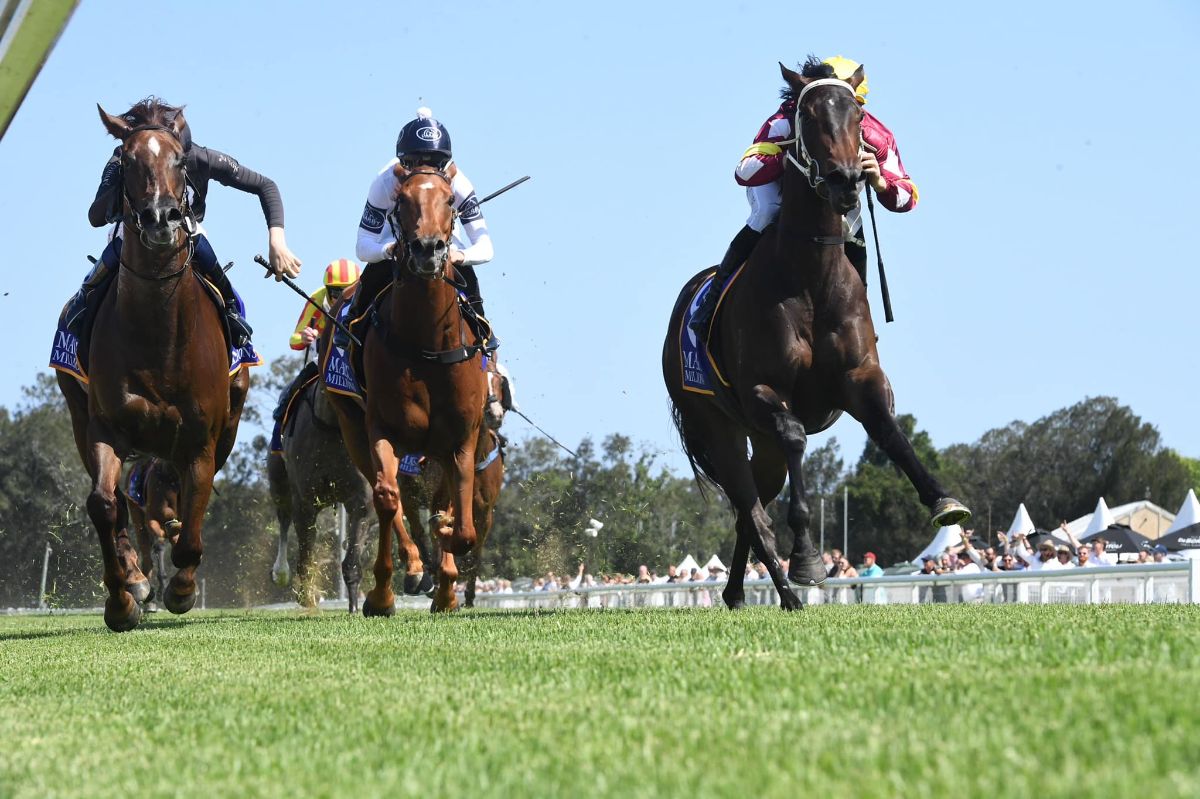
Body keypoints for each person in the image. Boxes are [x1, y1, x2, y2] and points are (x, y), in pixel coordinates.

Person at [690, 55, 918, 335]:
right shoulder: (784, 121)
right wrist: (787, 158)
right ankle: (711, 303)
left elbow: (908, 197)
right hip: (781, 188)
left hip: (837, 193)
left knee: (852, 224)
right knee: (767, 212)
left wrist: (881, 183)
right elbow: (744, 172)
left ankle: (860, 318)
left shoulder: (875, 134)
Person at [67, 97, 302, 348]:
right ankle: (83, 301)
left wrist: (277, 241)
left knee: (197, 238)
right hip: (132, 231)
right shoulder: (124, 157)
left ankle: (230, 309)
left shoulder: (199, 158)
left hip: (186, 229)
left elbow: (265, 185)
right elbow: (95, 217)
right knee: (119, 244)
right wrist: (124, 176)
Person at [343, 107, 496, 350]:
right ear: (402, 163)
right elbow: (363, 246)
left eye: (435, 163)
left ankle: (482, 328)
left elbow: (486, 247)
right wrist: (387, 250)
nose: (424, 170)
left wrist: (460, 256)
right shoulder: (385, 181)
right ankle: (352, 323)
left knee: (467, 276)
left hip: (444, 246)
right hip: (397, 243)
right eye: (413, 163)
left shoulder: (459, 184)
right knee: (372, 274)